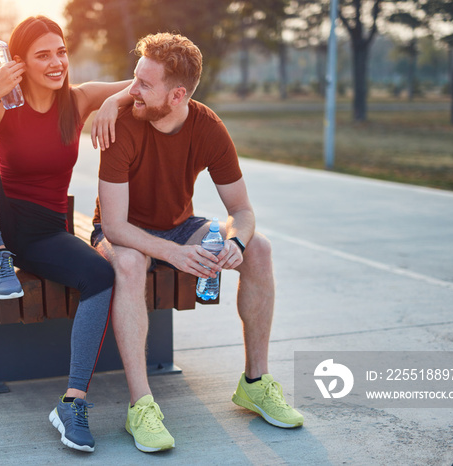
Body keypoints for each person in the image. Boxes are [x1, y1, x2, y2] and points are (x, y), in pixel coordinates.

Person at [91, 32, 304, 453]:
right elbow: (114, 227)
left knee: (259, 247)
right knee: (131, 264)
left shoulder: (208, 127)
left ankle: (255, 383)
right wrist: (173, 253)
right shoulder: (123, 124)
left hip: (178, 225)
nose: (130, 90)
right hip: (123, 232)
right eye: (135, 78)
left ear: (177, 95)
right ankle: (141, 406)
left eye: (144, 84)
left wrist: (236, 243)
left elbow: (241, 211)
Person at [0, 16, 131, 453]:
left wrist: (113, 103)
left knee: (101, 276)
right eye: (43, 55)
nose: (57, 62)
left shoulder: (77, 101)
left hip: (44, 233)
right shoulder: (4, 104)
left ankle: (72, 402)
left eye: (60, 51)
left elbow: (142, 84)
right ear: (16, 62)